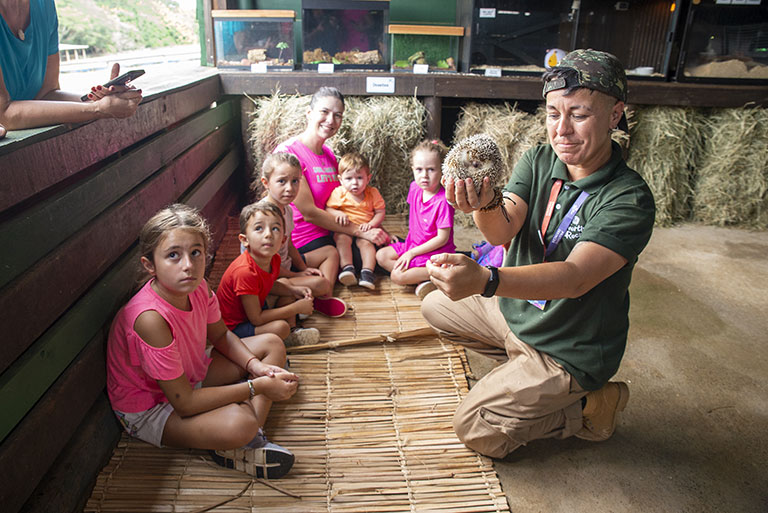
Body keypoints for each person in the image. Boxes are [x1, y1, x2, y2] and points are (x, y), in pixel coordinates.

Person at [421, 49, 656, 458]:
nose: (561, 130)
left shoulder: (628, 198)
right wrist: (485, 201)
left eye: (579, 115)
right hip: (519, 314)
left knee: (475, 429)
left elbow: (574, 277)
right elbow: (503, 229)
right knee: (434, 305)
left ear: (615, 114)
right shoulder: (540, 159)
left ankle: (590, 403)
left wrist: (486, 280)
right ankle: (521, 367)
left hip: (569, 347)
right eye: (552, 114)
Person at [106, 204, 298, 479]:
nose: (188, 265)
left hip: (189, 374)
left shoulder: (198, 288)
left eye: (195, 253)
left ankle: (246, 439)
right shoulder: (150, 319)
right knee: (240, 422)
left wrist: (255, 367)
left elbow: (220, 335)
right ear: (150, 265)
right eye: (173, 255)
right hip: (152, 409)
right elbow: (184, 402)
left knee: (272, 345)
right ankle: (245, 435)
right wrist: (256, 387)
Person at [273, 86, 389, 307]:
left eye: (337, 115)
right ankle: (292, 290)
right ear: (309, 113)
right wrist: (360, 232)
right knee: (376, 255)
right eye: (324, 112)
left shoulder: (329, 155)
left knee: (389, 247)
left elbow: (345, 203)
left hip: (336, 232)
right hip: (305, 241)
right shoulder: (289, 153)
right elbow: (309, 213)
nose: (331, 120)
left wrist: (373, 225)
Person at [0, 0, 141, 131]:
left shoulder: (44, 5)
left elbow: (47, 94)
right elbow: (4, 115)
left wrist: (97, 100)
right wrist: (97, 108)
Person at [217, 201, 321, 347]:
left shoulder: (274, 259)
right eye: (259, 228)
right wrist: (297, 308)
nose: (268, 235)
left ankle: (292, 331)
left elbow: (269, 284)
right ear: (244, 240)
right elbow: (257, 319)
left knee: (286, 285)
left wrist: (294, 290)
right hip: (235, 328)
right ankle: (286, 334)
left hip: (257, 308)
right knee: (280, 327)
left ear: (283, 240)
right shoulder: (244, 272)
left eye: (275, 229)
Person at [258, 152, 343, 308]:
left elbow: (288, 245)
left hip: (286, 266)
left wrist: (304, 268)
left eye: (295, 181)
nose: (290, 188)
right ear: (266, 182)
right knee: (321, 283)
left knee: (330, 252)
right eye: (282, 181)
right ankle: (316, 295)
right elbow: (267, 266)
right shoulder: (264, 218)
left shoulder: (287, 209)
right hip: (271, 277)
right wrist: (296, 274)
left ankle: (322, 299)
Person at [376, 139, 455, 299]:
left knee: (397, 276)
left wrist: (411, 254)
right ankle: (425, 279)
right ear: (412, 169)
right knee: (381, 256)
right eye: (419, 169)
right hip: (412, 245)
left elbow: (442, 238)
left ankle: (438, 272)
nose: (424, 175)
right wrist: (408, 250)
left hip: (435, 252)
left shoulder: (443, 201)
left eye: (431, 169)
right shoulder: (414, 187)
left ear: (442, 171)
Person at [326, 152, 386, 289]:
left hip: (366, 230)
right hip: (346, 229)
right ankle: (347, 268)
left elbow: (380, 212)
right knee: (341, 239)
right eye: (349, 178)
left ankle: (367, 272)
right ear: (340, 179)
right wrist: (338, 213)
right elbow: (328, 209)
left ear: (368, 178)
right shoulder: (339, 193)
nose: (354, 183)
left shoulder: (372, 193)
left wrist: (371, 224)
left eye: (359, 178)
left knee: (366, 244)